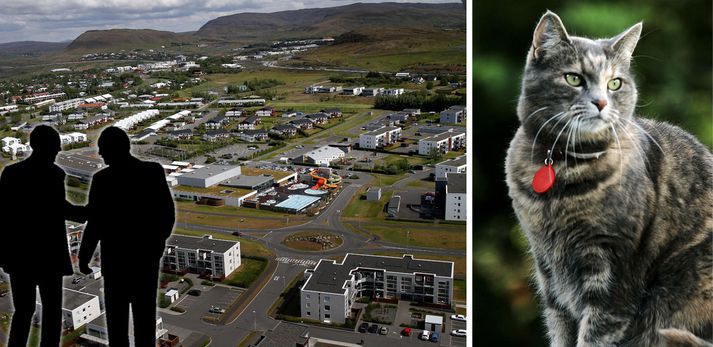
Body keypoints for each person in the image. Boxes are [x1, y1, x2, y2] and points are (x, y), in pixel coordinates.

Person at [78, 126, 175, 347]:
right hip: (145, 260)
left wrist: (84, 258)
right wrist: (156, 246)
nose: (100, 154)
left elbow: (95, 224)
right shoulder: (152, 171)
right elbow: (166, 214)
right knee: (145, 321)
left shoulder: (103, 180)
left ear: (112, 149)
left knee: (117, 324)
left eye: (102, 149)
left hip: (116, 262)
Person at [0, 125, 85, 347]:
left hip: (19, 255)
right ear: (51, 148)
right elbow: (57, 208)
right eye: (55, 149)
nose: (56, 153)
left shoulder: (11, 173)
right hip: (48, 254)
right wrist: (85, 212)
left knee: (23, 311)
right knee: (52, 312)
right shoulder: (54, 174)